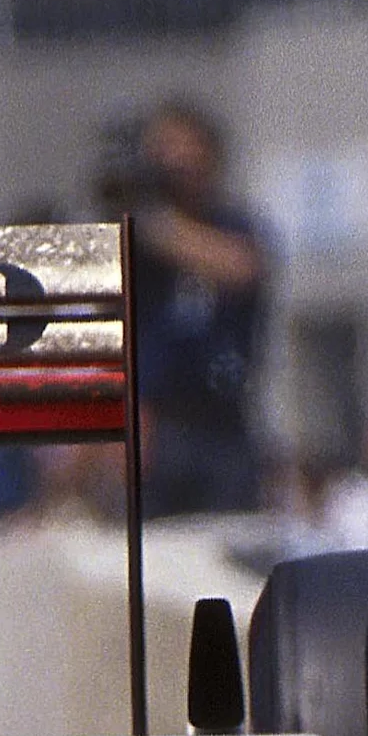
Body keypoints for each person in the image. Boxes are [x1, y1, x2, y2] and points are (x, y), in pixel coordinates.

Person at [108, 99, 273, 517]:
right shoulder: (138, 242)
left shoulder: (232, 225)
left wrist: (158, 226)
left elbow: (241, 268)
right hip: (158, 420)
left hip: (222, 417)